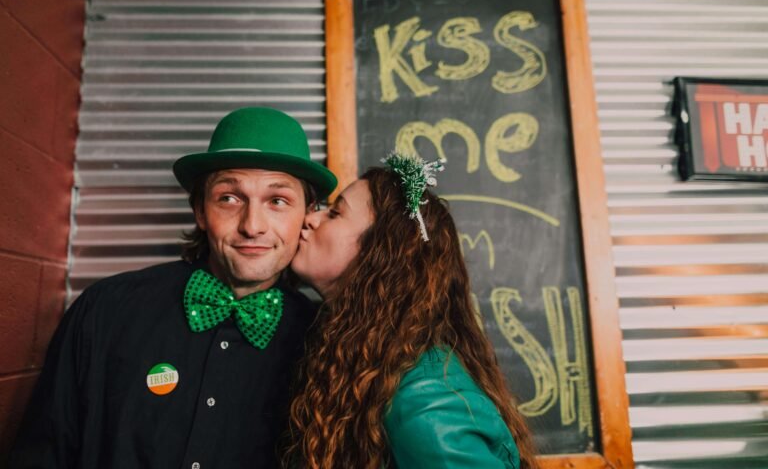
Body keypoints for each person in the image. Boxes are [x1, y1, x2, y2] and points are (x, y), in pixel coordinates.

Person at [9, 107, 337, 469]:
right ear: (199, 210)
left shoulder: (326, 339)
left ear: (308, 215)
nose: (252, 225)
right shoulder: (104, 311)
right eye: (229, 198)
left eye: (278, 201)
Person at [287, 153, 540, 469]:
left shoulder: (425, 400)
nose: (311, 218)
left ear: (382, 250)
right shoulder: (359, 354)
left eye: (335, 213)